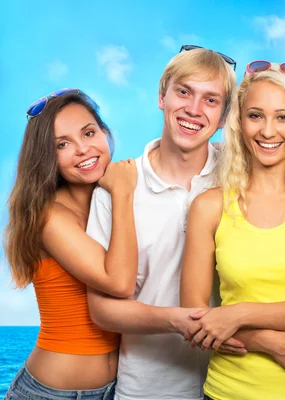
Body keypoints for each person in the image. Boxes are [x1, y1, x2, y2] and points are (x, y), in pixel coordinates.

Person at [179, 60, 285, 400]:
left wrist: (237, 315)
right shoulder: (209, 206)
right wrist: (269, 342)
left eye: (283, 117)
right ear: (239, 123)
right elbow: (196, 317)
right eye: (255, 115)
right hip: (229, 391)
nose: (268, 131)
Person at [84, 47, 243, 400]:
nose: (194, 109)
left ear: (223, 117)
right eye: (184, 91)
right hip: (149, 388)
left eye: (211, 100)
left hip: (237, 383)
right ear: (162, 96)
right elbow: (102, 310)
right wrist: (178, 320)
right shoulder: (117, 185)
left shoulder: (243, 175)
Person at [3, 89, 138, 400]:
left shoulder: (104, 205)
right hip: (51, 393)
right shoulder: (49, 215)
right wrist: (123, 193)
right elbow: (119, 283)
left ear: (105, 133)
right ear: (47, 158)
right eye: (62, 144)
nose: (82, 149)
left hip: (114, 390)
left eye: (88, 132)